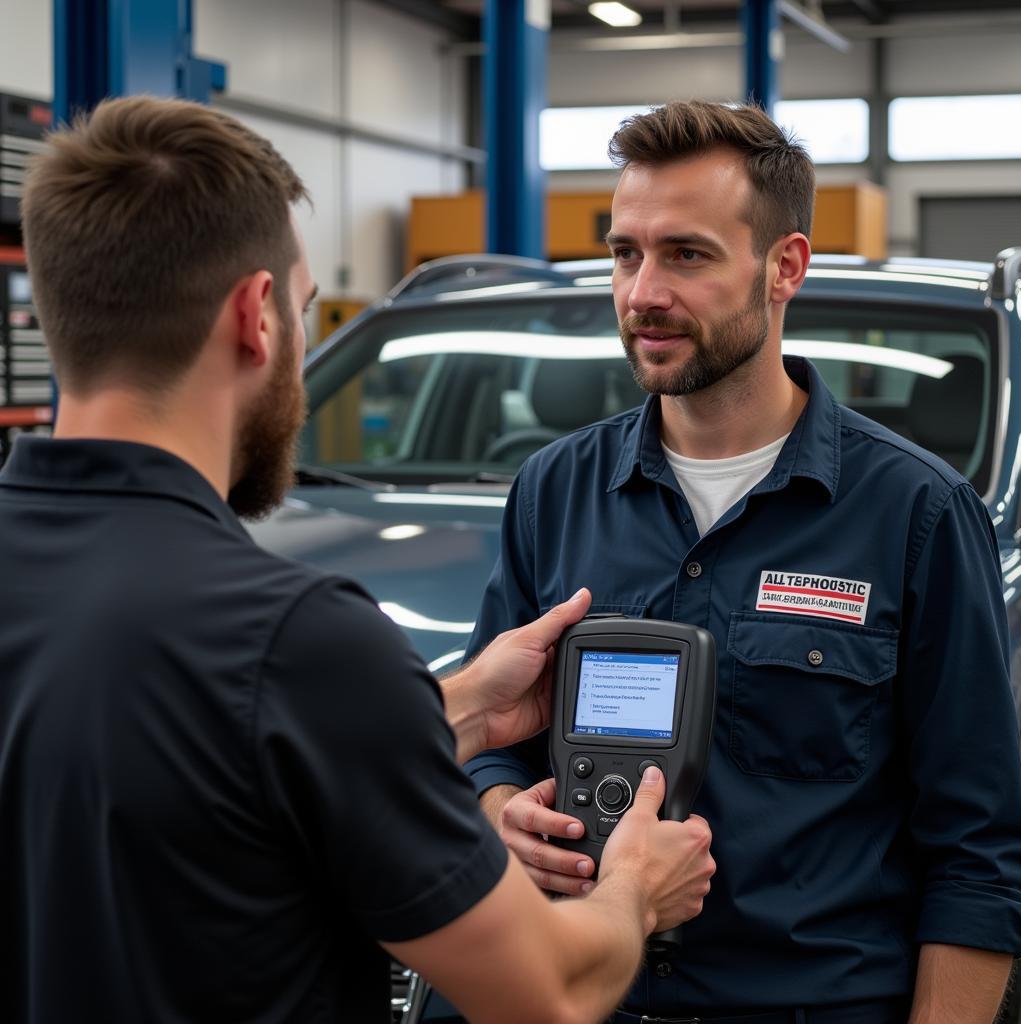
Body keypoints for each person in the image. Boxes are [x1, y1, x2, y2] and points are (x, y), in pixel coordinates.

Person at [0, 96, 717, 1024]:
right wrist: (634, 886)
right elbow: (552, 989)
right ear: (258, 318)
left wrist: (456, 705)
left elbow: (153, 751)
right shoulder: (298, 641)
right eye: (303, 314)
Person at [465, 100, 1021, 1023]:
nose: (643, 292)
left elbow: (977, 850)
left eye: (686, 255)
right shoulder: (552, 491)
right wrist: (499, 817)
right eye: (625, 252)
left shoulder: (916, 514)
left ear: (784, 267)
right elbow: (495, 741)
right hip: (577, 993)